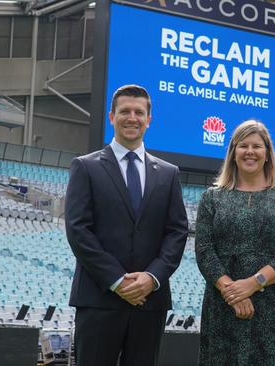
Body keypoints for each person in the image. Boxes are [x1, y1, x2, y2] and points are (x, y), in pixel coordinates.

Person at [65, 84, 188, 366]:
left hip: (150, 301)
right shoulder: (85, 167)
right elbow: (78, 230)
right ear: (111, 116)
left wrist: (151, 278)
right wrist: (118, 281)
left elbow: (177, 232)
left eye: (139, 112)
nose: (132, 117)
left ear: (149, 119)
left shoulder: (169, 174)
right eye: (125, 111)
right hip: (99, 299)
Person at [195, 120, 275, 365]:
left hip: (274, 306)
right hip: (223, 304)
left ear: (267, 154)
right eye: (243, 145)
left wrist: (254, 284)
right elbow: (203, 249)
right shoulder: (212, 198)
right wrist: (232, 291)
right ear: (233, 153)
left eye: (257, 146)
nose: (250, 151)